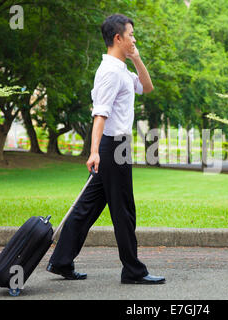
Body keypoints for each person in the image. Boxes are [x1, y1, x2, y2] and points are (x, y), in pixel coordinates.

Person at [46, 14, 165, 285]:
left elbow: (147, 87)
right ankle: (133, 271)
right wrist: (95, 151)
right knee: (124, 211)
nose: (135, 39)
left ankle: (61, 261)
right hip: (114, 148)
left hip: (115, 146)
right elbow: (99, 114)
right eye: (131, 35)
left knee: (86, 207)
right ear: (118, 38)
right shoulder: (110, 72)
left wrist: (136, 58)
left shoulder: (120, 68)